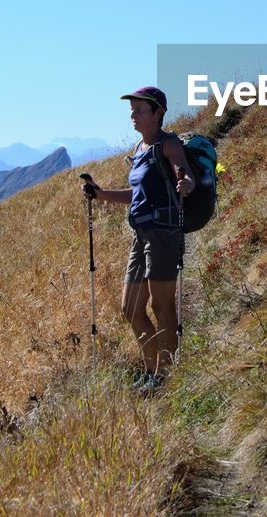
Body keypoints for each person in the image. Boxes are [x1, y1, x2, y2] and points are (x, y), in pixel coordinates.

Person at [81, 86, 194, 393]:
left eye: (139, 110)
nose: (133, 115)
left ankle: (164, 377)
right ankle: (152, 369)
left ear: (157, 113)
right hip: (141, 235)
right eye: (132, 110)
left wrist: (186, 181)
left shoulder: (167, 144)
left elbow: (183, 173)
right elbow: (137, 195)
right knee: (130, 309)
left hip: (163, 235)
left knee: (162, 308)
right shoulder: (140, 149)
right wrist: (101, 193)